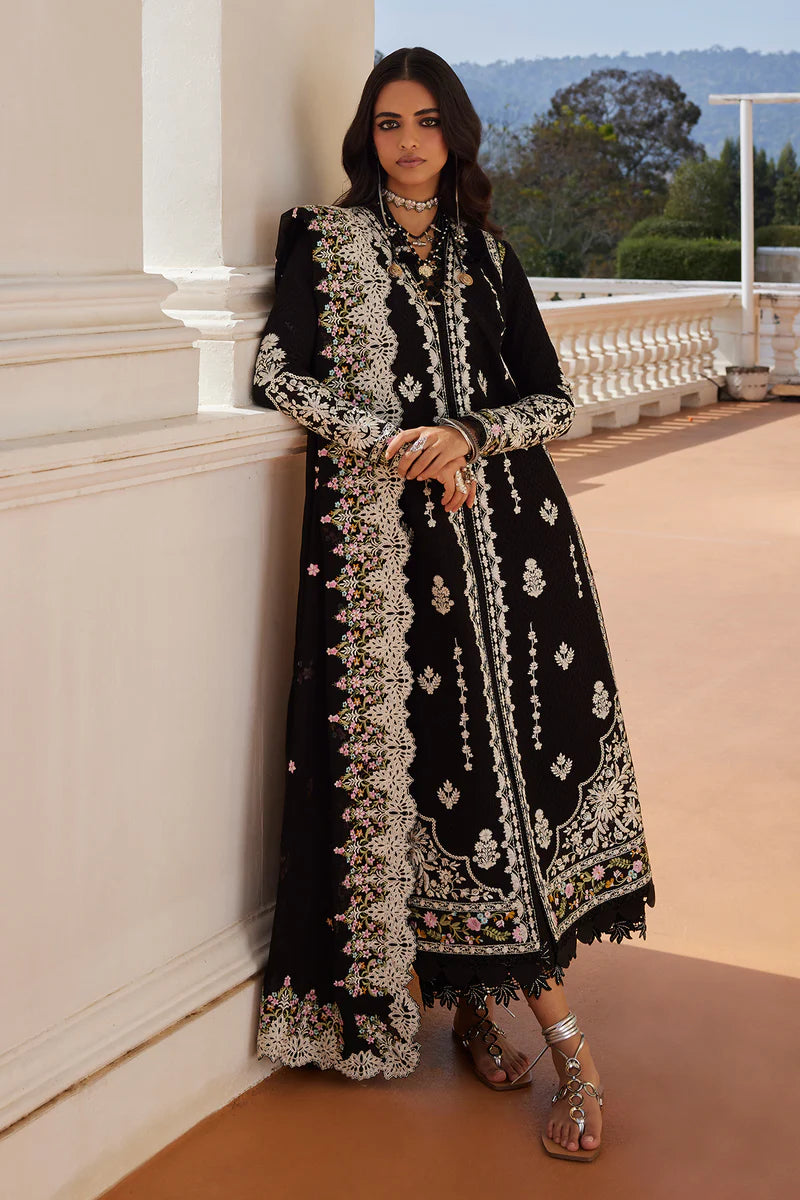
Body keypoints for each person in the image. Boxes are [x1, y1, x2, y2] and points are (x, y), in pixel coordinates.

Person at [251, 46, 655, 1162]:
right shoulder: (325, 243)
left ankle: (503, 1018)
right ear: (365, 137)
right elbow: (279, 374)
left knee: (520, 778)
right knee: (450, 776)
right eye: (388, 123)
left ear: (456, 134)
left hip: (517, 554)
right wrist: (397, 441)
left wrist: (468, 433)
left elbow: (553, 399)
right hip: (396, 564)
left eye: (426, 121)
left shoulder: (488, 254)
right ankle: (545, 1040)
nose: (408, 141)